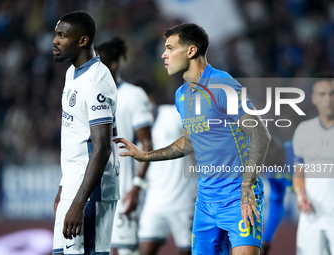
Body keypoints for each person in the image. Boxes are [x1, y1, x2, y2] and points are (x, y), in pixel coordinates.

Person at [114, 23, 271, 255]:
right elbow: (189, 141)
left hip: (238, 197)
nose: (163, 55)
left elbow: (260, 134)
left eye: (170, 48)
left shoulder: (222, 85)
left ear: (191, 51)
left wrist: (247, 185)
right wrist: (146, 155)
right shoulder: (181, 96)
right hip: (205, 201)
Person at [52, 11, 120, 255]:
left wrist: (78, 203)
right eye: (56, 34)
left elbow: (102, 147)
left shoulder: (96, 82)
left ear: (82, 41)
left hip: (92, 193)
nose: (55, 40)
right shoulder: (72, 73)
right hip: (73, 187)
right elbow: (76, 135)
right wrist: (64, 187)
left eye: (62, 35)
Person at [95, 37, 153, 255]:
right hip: (93, 191)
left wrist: (137, 187)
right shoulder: (88, 94)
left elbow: (147, 144)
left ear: (113, 65)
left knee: (128, 251)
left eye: (99, 62)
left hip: (123, 191)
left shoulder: (133, 95)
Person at [135, 80, 198, 255]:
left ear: (150, 98)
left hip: (184, 201)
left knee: (188, 251)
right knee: (144, 251)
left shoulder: (172, 115)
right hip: (155, 202)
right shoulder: (136, 130)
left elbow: (198, 136)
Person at [293, 78, 334, 255]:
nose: (328, 99)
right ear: (314, 98)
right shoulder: (304, 130)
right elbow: (299, 171)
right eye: (322, 94)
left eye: (332, 94)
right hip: (311, 217)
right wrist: (301, 196)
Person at [260, 138, 294, 255]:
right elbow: (276, 203)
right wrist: (266, 240)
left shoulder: (298, 151)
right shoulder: (272, 172)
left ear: (271, 151)